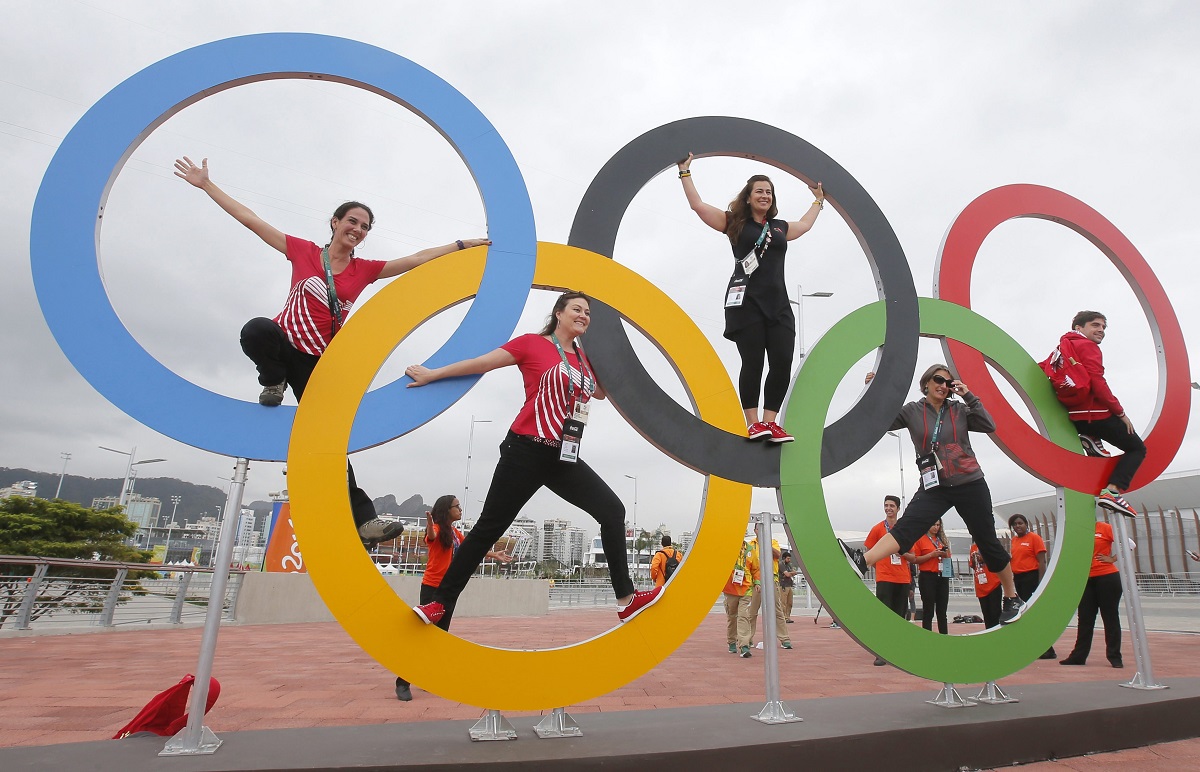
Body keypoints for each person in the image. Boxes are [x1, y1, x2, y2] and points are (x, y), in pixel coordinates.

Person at [173, 156, 489, 546]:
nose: (357, 229)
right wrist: (206, 185)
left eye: (365, 227)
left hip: (320, 363)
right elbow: (251, 219)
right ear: (335, 223)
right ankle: (273, 381)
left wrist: (461, 245)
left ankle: (365, 520)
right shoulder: (303, 252)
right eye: (352, 221)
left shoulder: (365, 270)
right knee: (256, 330)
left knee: (330, 441)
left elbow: (416, 260)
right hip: (284, 344)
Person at [404, 292, 661, 626]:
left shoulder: (584, 360)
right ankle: (439, 603)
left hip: (563, 456)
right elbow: (482, 363)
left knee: (613, 511)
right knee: (488, 528)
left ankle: (626, 600)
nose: (584, 315)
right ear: (558, 313)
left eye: (588, 313)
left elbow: (600, 391)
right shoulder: (532, 344)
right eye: (577, 310)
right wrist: (433, 374)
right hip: (525, 449)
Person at [676, 153, 825, 443]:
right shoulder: (734, 223)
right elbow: (698, 206)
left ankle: (771, 423)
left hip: (779, 305)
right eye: (759, 191)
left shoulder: (779, 227)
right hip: (746, 304)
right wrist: (685, 173)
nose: (765, 195)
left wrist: (818, 201)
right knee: (754, 361)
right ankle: (753, 423)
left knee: (782, 361)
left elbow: (805, 225)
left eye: (769, 192)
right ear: (748, 197)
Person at [861, 365, 1026, 625]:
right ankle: (863, 561)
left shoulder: (959, 410)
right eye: (939, 379)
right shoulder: (912, 411)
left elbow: (988, 424)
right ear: (926, 383)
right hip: (934, 485)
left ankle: (1012, 596)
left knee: (987, 542)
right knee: (907, 527)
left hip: (970, 482)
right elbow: (878, 420)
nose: (944, 385)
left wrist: (968, 396)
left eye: (948, 382)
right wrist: (872, 390)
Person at [394, 494, 512, 701]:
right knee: (424, 637)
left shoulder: (456, 533)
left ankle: (428, 678)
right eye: (456, 506)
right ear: (447, 510)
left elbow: (472, 550)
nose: (460, 510)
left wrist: (496, 555)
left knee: (441, 636)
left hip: (449, 590)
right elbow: (431, 537)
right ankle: (402, 682)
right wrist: (430, 526)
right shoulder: (438, 530)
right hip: (432, 589)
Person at [1060, 311, 1146, 518]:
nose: (1101, 330)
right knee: (1137, 448)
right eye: (1095, 325)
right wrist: (1120, 412)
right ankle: (1113, 492)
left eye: (1103, 327)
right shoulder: (1088, 346)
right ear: (1079, 328)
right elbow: (1097, 382)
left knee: (1103, 444)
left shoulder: (1063, 347)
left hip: (1074, 415)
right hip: (1095, 414)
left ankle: (1091, 440)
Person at [1061, 519, 1125, 668]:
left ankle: (1115, 657)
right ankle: (1078, 656)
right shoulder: (1079, 529)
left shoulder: (1105, 528)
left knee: (1110, 617)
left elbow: (1129, 543)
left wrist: (1112, 559)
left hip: (1107, 577)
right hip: (1086, 579)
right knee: (1084, 618)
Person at [864, 494, 913, 665]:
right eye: (886, 505)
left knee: (900, 615)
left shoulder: (905, 529)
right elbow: (869, 551)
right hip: (884, 577)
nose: (888, 508)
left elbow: (912, 555)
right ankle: (881, 651)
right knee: (883, 614)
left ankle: (898, 649)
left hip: (902, 578)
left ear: (898, 509)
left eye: (892, 506)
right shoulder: (878, 529)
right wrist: (880, 567)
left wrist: (902, 553)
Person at [1008, 514, 1057, 659]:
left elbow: (1042, 562)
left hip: (1032, 577)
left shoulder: (1034, 538)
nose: (1018, 526)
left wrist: (1041, 582)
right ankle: (1031, 645)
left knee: (1034, 613)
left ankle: (1048, 648)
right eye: (1015, 525)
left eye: (1020, 523)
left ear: (1026, 524)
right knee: (1024, 613)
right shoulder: (1014, 540)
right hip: (1019, 578)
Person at [742, 535, 792, 655]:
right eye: (758, 528)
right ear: (755, 530)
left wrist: (766, 544)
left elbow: (777, 555)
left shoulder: (773, 542)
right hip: (756, 581)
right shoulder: (750, 545)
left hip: (771, 579)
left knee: (777, 610)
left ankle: (784, 638)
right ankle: (747, 639)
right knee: (752, 611)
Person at [910, 520, 952, 635]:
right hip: (928, 577)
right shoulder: (921, 539)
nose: (936, 527)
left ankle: (944, 636)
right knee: (928, 610)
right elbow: (915, 559)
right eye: (933, 524)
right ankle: (927, 636)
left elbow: (948, 557)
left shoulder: (942, 539)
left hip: (942, 576)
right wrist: (931, 555)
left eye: (938, 525)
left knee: (942, 611)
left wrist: (944, 553)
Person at [722, 539, 757, 654]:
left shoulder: (750, 550)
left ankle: (744, 645)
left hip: (746, 589)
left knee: (743, 616)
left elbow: (756, 569)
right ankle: (732, 641)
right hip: (730, 589)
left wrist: (757, 582)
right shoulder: (727, 548)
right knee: (732, 616)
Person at [969, 542, 1003, 629]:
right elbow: (973, 565)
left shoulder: (990, 542)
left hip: (993, 584)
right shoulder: (973, 547)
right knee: (986, 615)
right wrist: (974, 559)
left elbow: (998, 559)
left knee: (995, 614)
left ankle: (998, 635)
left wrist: (984, 558)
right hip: (981, 586)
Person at [778, 550, 798, 622]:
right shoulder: (781, 564)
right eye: (788, 558)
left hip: (789, 585)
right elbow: (787, 574)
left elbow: (793, 571)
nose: (789, 560)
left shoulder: (789, 564)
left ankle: (788, 617)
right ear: (784, 558)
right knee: (783, 602)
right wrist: (792, 573)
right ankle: (783, 617)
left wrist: (791, 573)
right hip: (783, 585)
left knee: (790, 602)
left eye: (789, 558)